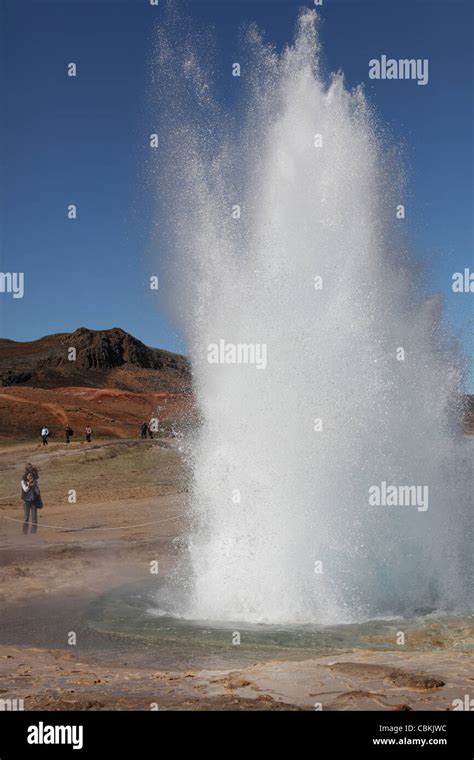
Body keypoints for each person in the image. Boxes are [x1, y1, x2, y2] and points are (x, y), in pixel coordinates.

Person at [21, 467, 42, 535]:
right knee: (26, 518)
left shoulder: (35, 482)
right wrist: (29, 485)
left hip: (34, 501)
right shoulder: (23, 481)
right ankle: (25, 532)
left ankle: (33, 533)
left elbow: (38, 492)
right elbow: (25, 490)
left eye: (31, 476)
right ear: (26, 476)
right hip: (26, 501)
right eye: (29, 475)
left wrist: (34, 485)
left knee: (34, 518)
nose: (30, 477)